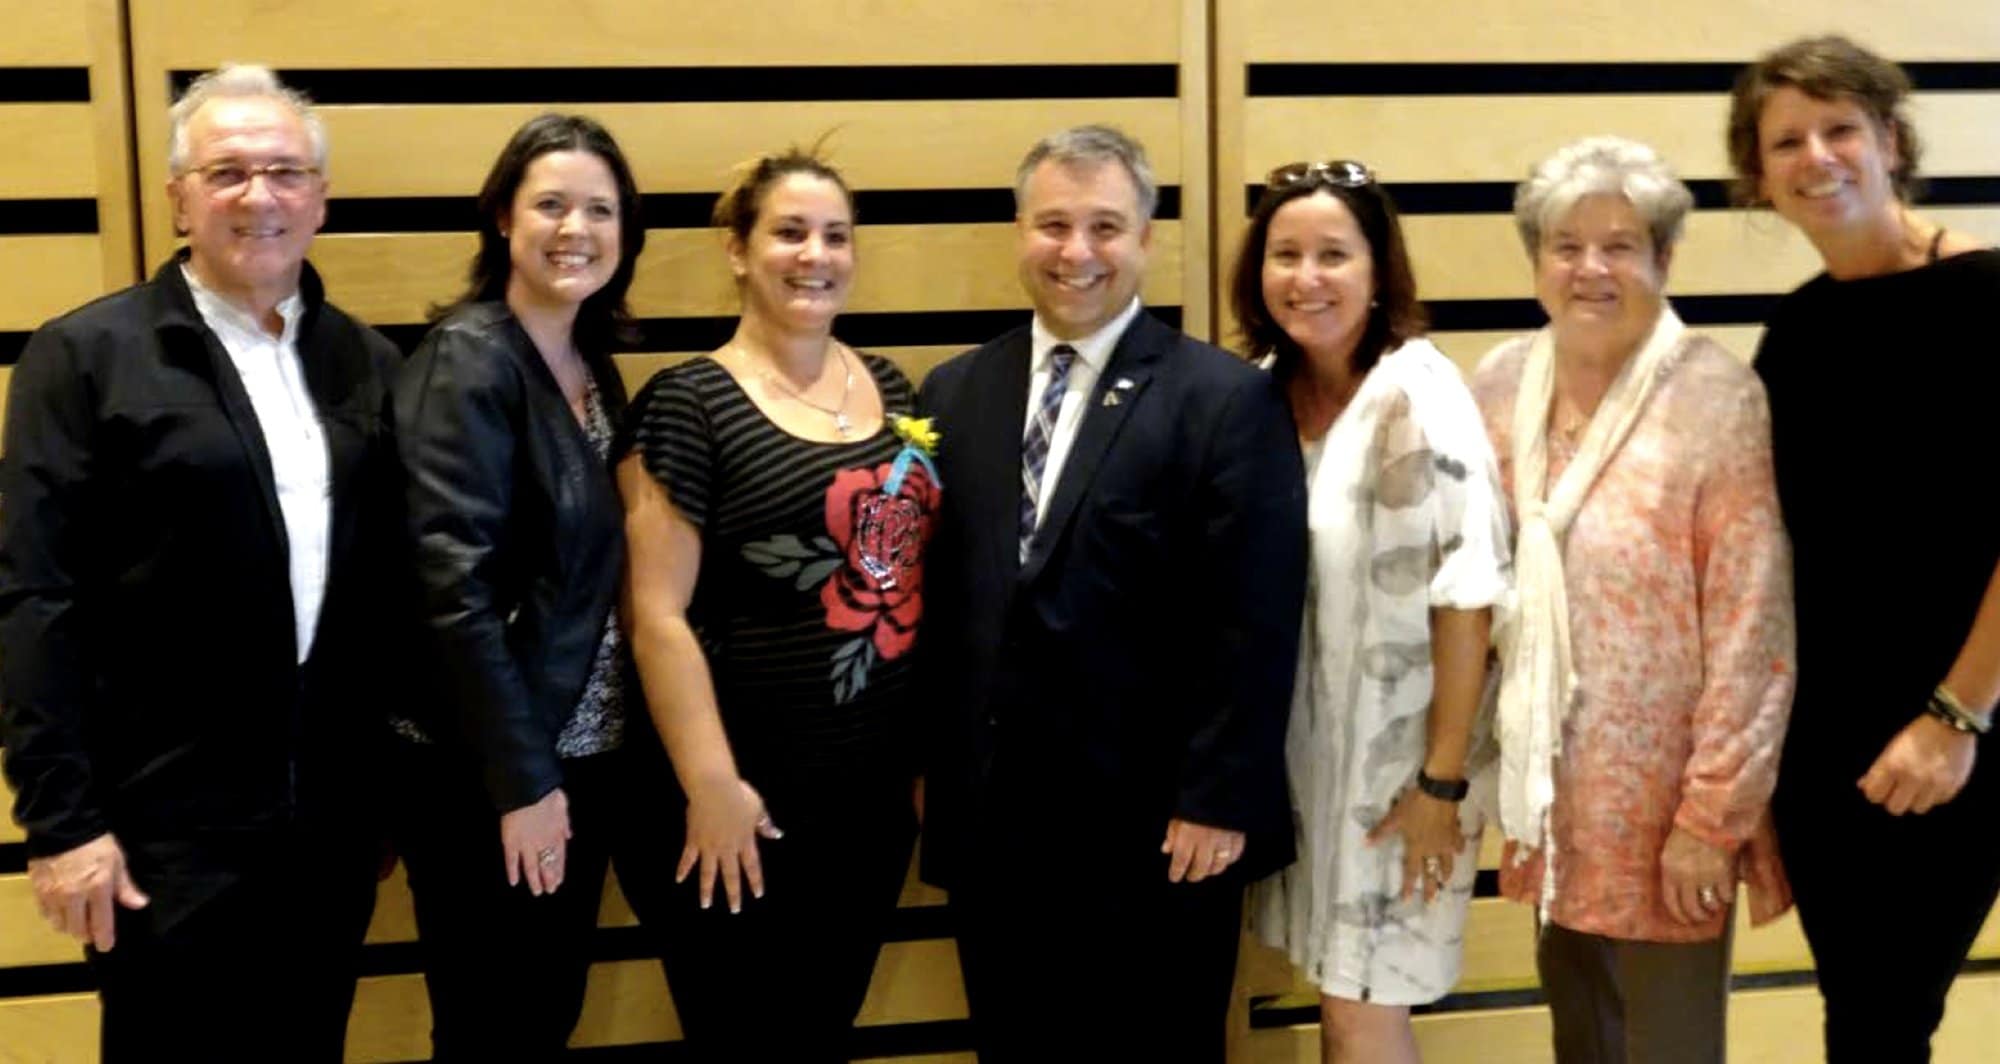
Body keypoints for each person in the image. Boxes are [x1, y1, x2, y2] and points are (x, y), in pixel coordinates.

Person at [0, 64, 400, 1061]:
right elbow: (34, 595)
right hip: (157, 834)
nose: (257, 197)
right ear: (178, 197)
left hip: (327, 827)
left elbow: (394, 595)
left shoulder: (373, 365)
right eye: (226, 173)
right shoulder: (86, 357)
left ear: (320, 198)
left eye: (283, 172)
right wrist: (61, 821)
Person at [916, 124, 1307, 1061]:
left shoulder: (1223, 399)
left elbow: (1254, 615)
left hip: (1160, 834)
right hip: (996, 832)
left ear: (1146, 239)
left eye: (1105, 227)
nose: (1077, 252)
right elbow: (944, 606)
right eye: (1053, 225)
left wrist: (1219, 795)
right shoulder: (956, 391)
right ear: (1019, 232)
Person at [1470, 135, 1795, 1064]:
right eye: (1566, 246)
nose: (1591, 269)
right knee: (1581, 1038)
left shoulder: (1716, 396)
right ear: (1536, 260)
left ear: (1664, 258)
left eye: (1620, 245)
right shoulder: (1499, 385)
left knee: (1669, 1047)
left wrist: (1711, 822)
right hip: (1552, 801)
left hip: (1668, 809)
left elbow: (1753, 627)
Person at [615, 146, 939, 1061]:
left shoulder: (897, 394)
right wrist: (714, 788)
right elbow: (656, 616)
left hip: (865, 815)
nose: (816, 255)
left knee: (820, 1038)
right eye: (789, 232)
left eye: (835, 236)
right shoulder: (689, 403)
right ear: (737, 248)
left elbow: (910, 591)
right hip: (731, 808)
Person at [1728, 35, 2000, 1062]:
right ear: (1759, 179)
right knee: (1864, 1017)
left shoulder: (1986, 296)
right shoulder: (1792, 332)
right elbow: (1778, 560)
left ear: (1888, 140)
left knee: (1883, 1018)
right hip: (1824, 748)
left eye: (1839, 128)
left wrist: (1953, 714)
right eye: (1785, 140)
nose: (1816, 156)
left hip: (1957, 728)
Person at [1235, 160, 1509, 1063]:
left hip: (1406, 782)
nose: (1306, 278)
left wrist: (1440, 786)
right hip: (1310, 769)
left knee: (1363, 1008)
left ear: (1379, 269)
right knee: (1338, 996)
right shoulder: (1261, 391)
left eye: (1333, 255)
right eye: (1286, 254)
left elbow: (1469, 598)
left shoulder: (1417, 393)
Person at [389, 113, 645, 1061]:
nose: (575, 229)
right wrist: (524, 779)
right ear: (502, 216)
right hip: (489, 773)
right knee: (494, 1029)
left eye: (600, 210)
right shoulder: (469, 360)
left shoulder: (585, 361)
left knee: (539, 1020)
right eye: (550, 205)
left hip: (575, 755)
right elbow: (448, 589)